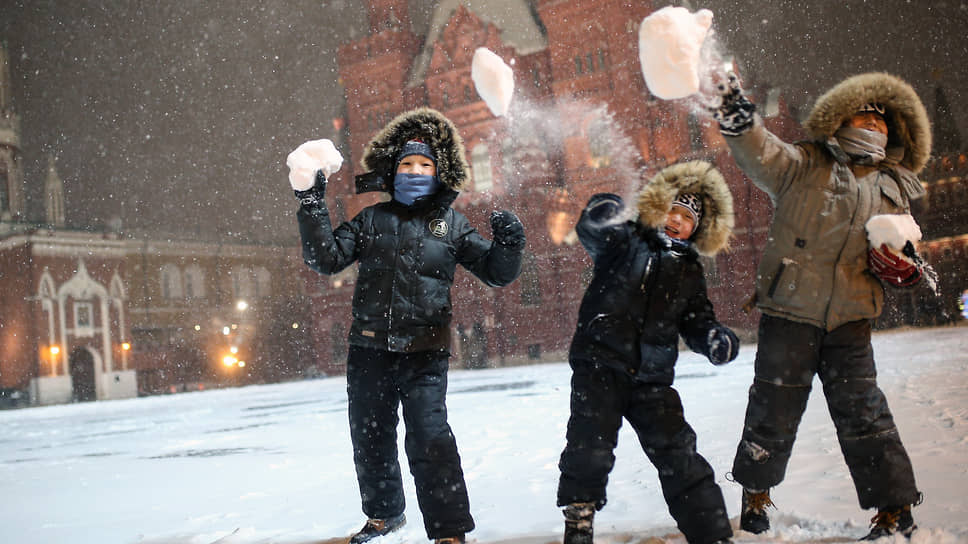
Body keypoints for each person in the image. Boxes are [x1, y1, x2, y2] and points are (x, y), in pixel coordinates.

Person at [710, 72, 930, 540]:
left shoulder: (894, 186)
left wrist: (909, 270)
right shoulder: (805, 164)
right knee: (771, 409)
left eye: (882, 119)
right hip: (790, 311)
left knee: (865, 414)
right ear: (840, 117)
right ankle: (755, 495)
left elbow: (907, 250)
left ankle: (895, 510)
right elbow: (760, 149)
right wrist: (738, 115)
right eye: (865, 114)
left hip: (851, 319)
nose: (874, 123)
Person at [293, 107, 526, 544]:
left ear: (439, 173)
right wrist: (311, 203)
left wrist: (510, 243)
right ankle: (384, 516)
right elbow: (325, 258)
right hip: (368, 350)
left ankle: (450, 530)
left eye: (424, 165)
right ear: (392, 171)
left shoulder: (451, 225)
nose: (415, 171)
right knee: (371, 437)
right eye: (406, 164)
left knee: (430, 437)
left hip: (425, 351)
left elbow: (496, 272)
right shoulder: (372, 219)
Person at [557, 160, 739, 544]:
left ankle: (712, 533)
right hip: (601, 364)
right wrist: (602, 207)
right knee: (590, 444)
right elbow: (591, 229)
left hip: (652, 379)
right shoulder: (625, 241)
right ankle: (579, 518)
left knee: (679, 453)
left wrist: (714, 339)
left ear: (698, 229)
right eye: (672, 210)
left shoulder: (689, 271)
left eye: (687, 218)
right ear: (658, 209)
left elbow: (697, 320)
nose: (676, 220)